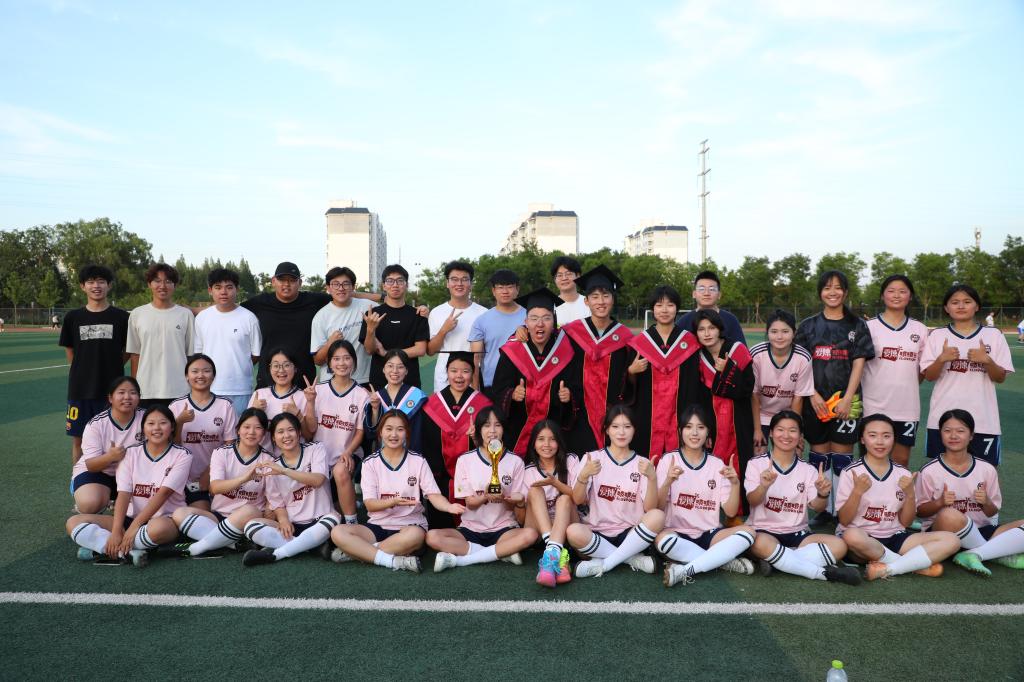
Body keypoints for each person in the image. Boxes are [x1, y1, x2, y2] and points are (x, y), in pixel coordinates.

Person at [329, 410, 465, 573]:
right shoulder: (370, 463)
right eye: (389, 429)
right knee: (337, 532)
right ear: (380, 432)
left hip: (409, 526)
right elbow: (370, 505)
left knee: (416, 536)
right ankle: (393, 560)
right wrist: (393, 501)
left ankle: (358, 553)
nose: (394, 434)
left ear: (407, 433)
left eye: (400, 429)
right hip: (377, 526)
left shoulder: (418, 461)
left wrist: (448, 507)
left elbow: (433, 495)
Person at [66, 404, 192, 567]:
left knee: (159, 528)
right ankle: (130, 551)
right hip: (130, 519)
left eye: (163, 423)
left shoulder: (183, 455)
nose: (156, 428)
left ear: (172, 427)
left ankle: (105, 549)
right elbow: (123, 494)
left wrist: (134, 527)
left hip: (163, 519)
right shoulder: (130, 453)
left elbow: (163, 494)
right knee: (73, 522)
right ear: (143, 428)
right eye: (151, 423)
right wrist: (117, 531)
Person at [744, 410, 861, 585]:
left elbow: (818, 507)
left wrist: (822, 493)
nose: (786, 435)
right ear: (771, 433)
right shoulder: (756, 464)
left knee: (840, 546)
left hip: (798, 533)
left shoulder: (808, 470)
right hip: (764, 531)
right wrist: (764, 486)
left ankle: (777, 561)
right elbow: (752, 501)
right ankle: (823, 573)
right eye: (780, 430)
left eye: (792, 430)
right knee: (756, 542)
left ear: (800, 437)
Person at [794, 270, 874, 524]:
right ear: (820, 293)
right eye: (827, 287)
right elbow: (800, 364)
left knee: (841, 454)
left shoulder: (857, 325)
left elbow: (859, 363)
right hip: (815, 401)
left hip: (847, 401)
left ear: (846, 292)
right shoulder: (808, 326)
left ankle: (841, 509)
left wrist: (848, 397)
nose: (833, 292)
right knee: (819, 453)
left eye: (838, 287)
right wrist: (812, 394)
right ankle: (823, 510)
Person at [836, 414, 956, 580]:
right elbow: (844, 520)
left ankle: (890, 568)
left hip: (894, 537)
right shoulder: (851, 472)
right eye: (873, 435)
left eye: (886, 436)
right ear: (862, 439)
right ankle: (911, 565)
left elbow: (906, 523)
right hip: (863, 539)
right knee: (851, 536)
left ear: (894, 439)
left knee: (952, 540)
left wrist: (910, 494)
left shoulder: (903, 473)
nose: (880, 442)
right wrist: (857, 492)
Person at [656, 405, 757, 587]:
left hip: (710, 535)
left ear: (708, 432)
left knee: (749, 533)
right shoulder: (668, 460)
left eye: (701, 427)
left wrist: (735, 484)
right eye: (688, 427)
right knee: (662, 541)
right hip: (677, 533)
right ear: (680, 431)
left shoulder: (717, 464)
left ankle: (685, 570)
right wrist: (667, 482)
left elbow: (730, 511)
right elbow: (658, 508)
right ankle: (722, 562)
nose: (694, 433)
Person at [427, 406, 539, 571]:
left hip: (504, 530)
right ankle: (501, 552)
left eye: (497, 425)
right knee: (432, 537)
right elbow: (470, 504)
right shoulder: (465, 460)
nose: (492, 431)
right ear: (479, 430)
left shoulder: (515, 461)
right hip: (470, 529)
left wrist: (504, 496)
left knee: (531, 535)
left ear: (503, 429)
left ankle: (463, 559)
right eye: (487, 425)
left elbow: (515, 508)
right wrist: (485, 496)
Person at [916, 410, 1024, 576]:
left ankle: (976, 553)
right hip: (943, 533)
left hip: (982, 530)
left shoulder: (987, 469)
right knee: (948, 515)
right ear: (940, 434)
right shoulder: (929, 471)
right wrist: (939, 502)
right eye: (947, 430)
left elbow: (992, 512)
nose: (953, 436)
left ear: (971, 435)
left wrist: (986, 502)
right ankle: (995, 553)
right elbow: (920, 511)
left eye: (960, 431)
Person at [920, 284, 1013, 467]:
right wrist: (941, 359)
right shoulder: (937, 335)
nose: (961, 306)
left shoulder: (993, 335)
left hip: (983, 419)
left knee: (985, 474)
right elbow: (929, 376)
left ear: (976, 306)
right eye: (955, 302)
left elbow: (1000, 377)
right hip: (943, 418)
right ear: (946, 308)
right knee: (941, 473)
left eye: (967, 301)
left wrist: (987, 361)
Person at [569, 406, 664, 578]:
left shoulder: (642, 463)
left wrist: (652, 478)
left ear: (634, 430)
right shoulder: (592, 458)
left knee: (657, 516)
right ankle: (632, 560)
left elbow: (650, 508)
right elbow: (577, 499)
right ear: (606, 429)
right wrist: (584, 475)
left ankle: (604, 563)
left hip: (630, 535)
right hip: (597, 532)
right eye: (615, 426)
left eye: (627, 426)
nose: (621, 432)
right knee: (573, 532)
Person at [170, 408, 275, 557]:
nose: (251, 432)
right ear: (238, 430)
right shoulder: (222, 452)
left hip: (248, 519)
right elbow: (215, 487)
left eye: (258, 428)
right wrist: (244, 478)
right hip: (219, 516)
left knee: (249, 510)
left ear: (264, 433)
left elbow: (271, 499)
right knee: (179, 513)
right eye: (246, 427)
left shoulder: (269, 460)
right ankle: (233, 544)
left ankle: (201, 546)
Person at [241, 413, 341, 566]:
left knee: (333, 519)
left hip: (321, 520)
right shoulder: (272, 467)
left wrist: (284, 471)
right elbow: (278, 504)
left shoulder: (315, 448)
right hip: (294, 526)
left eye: (291, 430)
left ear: (299, 432)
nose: (286, 436)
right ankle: (311, 546)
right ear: (273, 438)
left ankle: (276, 554)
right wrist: (283, 520)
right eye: (280, 432)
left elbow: (318, 480)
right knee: (250, 527)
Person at [59, 264, 130, 469]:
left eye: (101, 281)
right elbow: (70, 350)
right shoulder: (73, 317)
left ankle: (114, 484)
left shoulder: (122, 317)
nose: (96, 286)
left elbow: (129, 349)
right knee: (79, 439)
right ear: (83, 286)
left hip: (112, 390)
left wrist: (114, 364)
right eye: (90, 282)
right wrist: (82, 370)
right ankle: (78, 479)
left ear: (109, 285)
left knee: (114, 439)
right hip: (80, 389)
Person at [491, 287, 577, 452]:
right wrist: (511, 394)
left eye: (546, 318)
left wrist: (568, 396)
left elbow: (576, 387)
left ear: (554, 321)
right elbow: (498, 390)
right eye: (534, 318)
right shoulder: (513, 350)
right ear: (526, 321)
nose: (540, 324)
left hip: (554, 433)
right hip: (517, 431)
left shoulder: (565, 348)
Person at [561, 265, 633, 455]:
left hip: (613, 415)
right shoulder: (571, 332)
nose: (601, 302)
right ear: (586, 301)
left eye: (606, 296)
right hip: (578, 413)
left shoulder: (625, 337)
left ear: (613, 299)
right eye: (594, 297)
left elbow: (629, 381)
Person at [860, 275, 928, 468]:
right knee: (872, 461)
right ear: (882, 296)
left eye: (902, 291)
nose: (896, 295)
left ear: (910, 296)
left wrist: (906, 382)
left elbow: (922, 370)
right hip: (873, 406)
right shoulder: (868, 327)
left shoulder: (920, 329)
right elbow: (858, 366)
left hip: (907, 407)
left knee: (901, 461)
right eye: (891, 291)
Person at [419, 351, 493, 529]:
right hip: (441, 480)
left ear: (473, 373)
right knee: (441, 529)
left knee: (478, 528)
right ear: (446, 372)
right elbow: (428, 444)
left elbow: (493, 444)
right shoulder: (432, 405)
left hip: (475, 479)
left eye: (465, 371)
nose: (459, 376)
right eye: (454, 371)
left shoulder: (483, 405)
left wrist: (477, 439)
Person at [625, 285, 699, 461]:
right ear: (653, 309)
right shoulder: (640, 343)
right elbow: (626, 388)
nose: (664, 310)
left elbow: (694, 383)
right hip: (647, 416)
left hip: (681, 413)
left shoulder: (689, 342)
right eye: (659, 305)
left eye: (670, 305)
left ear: (677, 308)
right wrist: (631, 372)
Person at [693, 309, 755, 516]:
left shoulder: (737, 350)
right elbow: (700, 396)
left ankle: (738, 511)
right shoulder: (698, 357)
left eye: (711, 328)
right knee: (712, 463)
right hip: (713, 421)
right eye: (701, 329)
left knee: (740, 461)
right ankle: (711, 510)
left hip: (738, 418)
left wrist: (729, 371)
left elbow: (747, 389)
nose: (707, 333)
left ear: (720, 329)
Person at [303, 339, 368, 525]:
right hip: (318, 457)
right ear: (329, 363)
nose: (342, 363)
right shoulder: (317, 391)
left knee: (340, 471)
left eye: (347, 358)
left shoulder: (361, 394)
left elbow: (360, 432)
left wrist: (348, 452)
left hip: (347, 454)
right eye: (337, 359)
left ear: (354, 361)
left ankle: (352, 524)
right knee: (328, 511)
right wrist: (310, 402)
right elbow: (311, 430)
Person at [242, 262, 330, 388]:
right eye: (282, 279)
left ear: (300, 283)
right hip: (268, 379)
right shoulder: (260, 303)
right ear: (273, 281)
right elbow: (233, 310)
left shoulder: (314, 301)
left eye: (292, 280)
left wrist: (363, 297)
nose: (287, 284)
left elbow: (341, 296)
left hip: (304, 380)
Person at [169, 354, 237, 511]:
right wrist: (179, 423)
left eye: (206, 371)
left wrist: (210, 471)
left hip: (214, 475)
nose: (200, 375)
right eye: (195, 371)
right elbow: (171, 447)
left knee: (201, 513)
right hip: (181, 476)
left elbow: (230, 446)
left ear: (213, 376)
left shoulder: (225, 405)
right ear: (187, 376)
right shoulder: (176, 406)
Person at [70, 376, 145, 517]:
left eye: (133, 393)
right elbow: (91, 465)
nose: (127, 397)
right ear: (110, 398)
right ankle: (90, 497)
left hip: (133, 474)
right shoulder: (96, 424)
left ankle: (120, 503)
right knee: (89, 503)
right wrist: (110, 457)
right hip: (100, 472)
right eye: (121, 392)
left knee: (143, 506)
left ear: (139, 397)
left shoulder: (147, 418)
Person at [194, 268, 262, 416]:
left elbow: (256, 354)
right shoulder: (202, 318)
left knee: (240, 429)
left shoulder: (249, 318)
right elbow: (199, 354)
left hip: (240, 389)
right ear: (210, 290)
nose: (223, 292)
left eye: (229, 287)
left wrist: (238, 367)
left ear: (237, 289)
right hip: (209, 388)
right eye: (218, 287)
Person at [126, 263, 195, 407]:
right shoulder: (137, 314)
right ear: (149, 284)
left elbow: (190, 355)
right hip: (146, 390)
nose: (162, 286)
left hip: (179, 389)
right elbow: (135, 354)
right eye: (157, 281)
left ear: (175, 285)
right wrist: (134, 388)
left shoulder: (185, 315)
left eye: (168, 281)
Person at [523, 419, 580, 587]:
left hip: (567, 526)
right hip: (541, 530)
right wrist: (518, 503)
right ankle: (555, 551)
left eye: (552, 439)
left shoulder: (571, 460)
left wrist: (556, 483)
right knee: (535, 491)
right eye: (541, 439)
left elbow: (579, 498)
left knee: (565, 498)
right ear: (533, 444)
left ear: (559, 442)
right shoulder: (528, 471)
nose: (547, 444)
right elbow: (522, 518)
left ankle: (550, 557)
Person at [750, 309, 814, 455]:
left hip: (788, 415)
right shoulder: (756, 354)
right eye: (774, 331)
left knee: (794, 454)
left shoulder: (803, 357)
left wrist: (796, 430)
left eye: (785, 331)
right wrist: (757, 429)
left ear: (794, 333)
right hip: (761, 415)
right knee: (758, 453)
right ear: (767, 333)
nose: (779, 337)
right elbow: (754, 395)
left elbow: (798, 398)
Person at [360, 264, 429, 389]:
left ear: (407, 285)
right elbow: (369, 350)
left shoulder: (417, 314)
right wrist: (370, 329)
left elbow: (420, 349)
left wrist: (387, 353)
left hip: (410, 381)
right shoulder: (372, 315)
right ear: (384, 285)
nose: (395, 285)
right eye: (390, 281)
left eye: (400, 281)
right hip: (379, 381)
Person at [427, 261, 487, 391]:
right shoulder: (437, 312)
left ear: (471, 284)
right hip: (444, 380)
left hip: (473, 379)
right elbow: (430, 351)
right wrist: (444, 330)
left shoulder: (484, 313)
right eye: (454, 279)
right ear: (447, 283)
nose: (459, 284)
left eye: (464, 279)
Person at [310, 266, 375, 386]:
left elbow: (393, 307)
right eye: (335, 284)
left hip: (363, 379)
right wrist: (330, 343)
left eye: (346, 284)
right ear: (328, 288)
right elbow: (318, 361)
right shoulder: (321, 317)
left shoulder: (368, 307)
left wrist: (419, 310)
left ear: (353, 287)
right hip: (331, 382)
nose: (341, 288)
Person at [468, 269, 526, 394]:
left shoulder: (530, 316)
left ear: (517, 289)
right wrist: (475, 391)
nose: (505, 291)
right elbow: (475, 358)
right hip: (492, 385)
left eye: (510, 287)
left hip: (524, 383)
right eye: (500, 287)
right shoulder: (481, 321)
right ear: (493, 291)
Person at [248, 347, 315, 454]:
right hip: (262, 459)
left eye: (286, 365)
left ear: (295, 368)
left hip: (292, 460)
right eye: (276, 365)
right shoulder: (259, 394)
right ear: (270, 368)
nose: (281, 370)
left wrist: (298, 415)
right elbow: (246, 433)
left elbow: (309, 436)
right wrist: (253, 411)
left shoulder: (303, 396)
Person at [364, 349, 427, 452]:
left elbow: (420, 432)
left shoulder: (417, 396)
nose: (395, 371)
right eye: (390, 366)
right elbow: (372, 434)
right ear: (383, 369)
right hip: (383, 455)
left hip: (410, 454)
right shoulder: (377, 397)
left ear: (406, 371)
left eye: (400, 367)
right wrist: (375, 409)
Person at [676, 270, 746, 345]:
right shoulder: (684, 321)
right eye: (701, 289)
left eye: (712, 289)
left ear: (719, 295)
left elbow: (741, 349)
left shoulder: (731, 320)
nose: (706, 293)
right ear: (694, 294)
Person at [551, 255, 588, 326]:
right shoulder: (550, 306)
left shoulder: (589, 303)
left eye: (568, 274)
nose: (564, 278)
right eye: (559, 275)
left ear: (578, 276)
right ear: (555, 279)